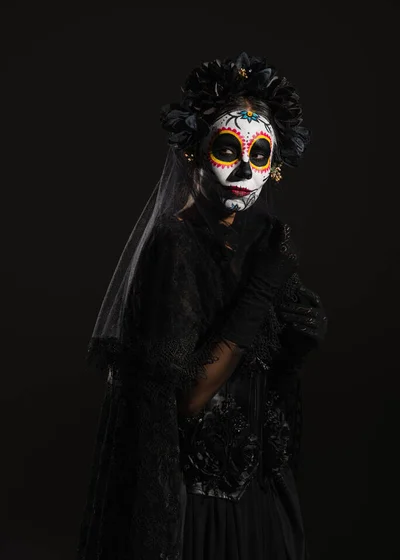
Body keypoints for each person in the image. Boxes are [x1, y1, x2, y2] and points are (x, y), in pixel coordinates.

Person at [76, 52, 328, 560]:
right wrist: (260, 293)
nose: (243, 169)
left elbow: (260, 378)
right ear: (194, 151)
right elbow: (186, 399)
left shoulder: (260, 242)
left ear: (275, 165)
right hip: (202, 506)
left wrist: (300, 338)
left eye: (260, 156)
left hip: (259, 496)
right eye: (228, 148)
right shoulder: (175, 243)